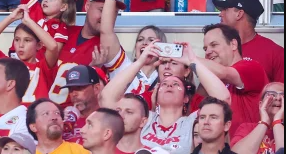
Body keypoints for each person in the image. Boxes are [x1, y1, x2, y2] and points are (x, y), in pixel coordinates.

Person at [99, 41, 231, 154]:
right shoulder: (144, 120)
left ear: (186, 98)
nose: (169, 85)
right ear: (156, 91)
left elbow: (223, 99)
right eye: (164, 84)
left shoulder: (192, 122)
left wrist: (192, 61)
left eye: (175, 84)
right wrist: (141, 62)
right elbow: (107, 98)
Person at [48, 0, 126, 108]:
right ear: (87, 6)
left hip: (80, 118)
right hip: (47, 114)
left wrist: (94, 72)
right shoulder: (63, 32)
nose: (107, 17)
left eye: (113, 12)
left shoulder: (110, 49)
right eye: (102, 10)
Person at [198, 24, 269, 135]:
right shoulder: (209, 79)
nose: (207, 52)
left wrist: (189, 58)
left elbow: (224, 73)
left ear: (233, 44)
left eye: (214, 45)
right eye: (205, 48)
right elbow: (195, 113)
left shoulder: (252, 66)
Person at [0, 5, 59, 105]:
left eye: (27, 40)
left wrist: (29, 21)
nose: (21, 45)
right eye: (17, 40)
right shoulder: (7, 65)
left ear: (39, 45)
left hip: (36, 118)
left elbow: (53, 47)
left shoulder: (43, 67)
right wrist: (11, 18)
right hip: (11, 118)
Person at [215, 0, 284, 83]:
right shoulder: (215, 50)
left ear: (239, 14)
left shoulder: (276, 53)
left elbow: (280, 93)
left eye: (225, 9)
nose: (220, 14)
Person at [231, 82, 284, 154]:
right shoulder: (247, 128)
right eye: (271, 94)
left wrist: (277, 122)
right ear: (261, 104)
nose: (278, 98)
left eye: (283, 96)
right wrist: (264, 122)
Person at [61, 65, 109, 144]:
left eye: (79, 88)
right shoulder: (63, 119)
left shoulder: (109, 118)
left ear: (96, 88)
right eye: (70, 89)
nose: (74, 94)